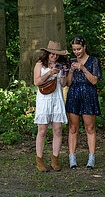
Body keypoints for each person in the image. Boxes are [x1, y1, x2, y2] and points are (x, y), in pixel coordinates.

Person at [66, 36, 102, 169]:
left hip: (88, 94)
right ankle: (72, 159)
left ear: (84, 47)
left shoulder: (93, 61)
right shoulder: (71, 62)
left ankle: (91, 159)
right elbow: (68, 83)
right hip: (73, 94)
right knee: (73, 128)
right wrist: (71, 70)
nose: (77, 52)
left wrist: (83, 68)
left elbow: (94, 81)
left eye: (79, 49)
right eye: (74, 49)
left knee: (90, 128)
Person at [34, 40, 68, 172]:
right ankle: (40, 160)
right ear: (47, 53)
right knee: (42, 131)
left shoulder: (61, 65)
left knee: (58, 129)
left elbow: (64, 84)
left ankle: (55, 159)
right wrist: (49, 73)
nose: (54, 56)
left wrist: (63, 74)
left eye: (56, 54)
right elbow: (36, 82)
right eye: (52, 53)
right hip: (44, 100)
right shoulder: (40, 64)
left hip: (57, 99)